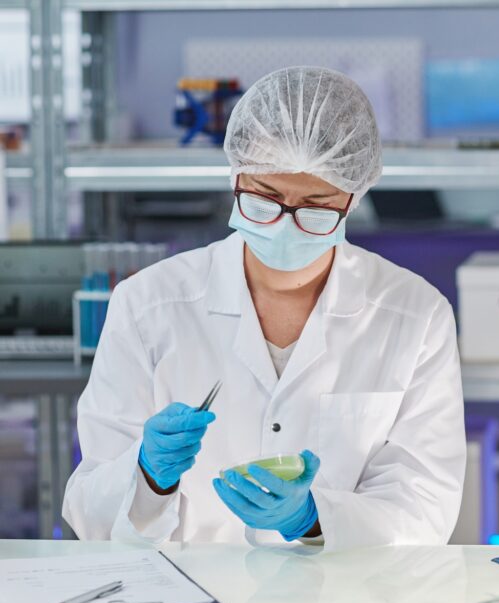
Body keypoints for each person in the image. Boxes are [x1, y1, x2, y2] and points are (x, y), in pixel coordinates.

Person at [64, 66, 466, 548]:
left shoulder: (416, 315)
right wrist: (148, 476)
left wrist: (315, 519)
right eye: (265, 199)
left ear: (353, 197)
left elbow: (425, 509)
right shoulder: (148, 304)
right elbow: (91, 516)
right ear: (236, 176)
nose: (284, 225)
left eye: (316, 207)